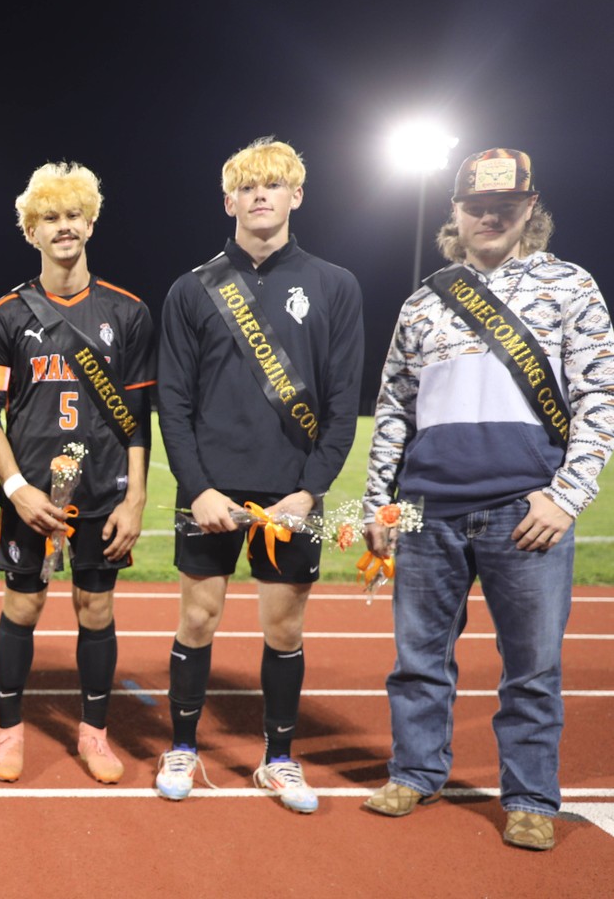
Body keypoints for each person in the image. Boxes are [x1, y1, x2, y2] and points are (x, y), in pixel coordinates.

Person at [361, 149, 614, 850]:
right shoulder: (423, 299)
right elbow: (393, 409)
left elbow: (599, 397)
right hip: (424, 509)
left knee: (530, 669)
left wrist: (565, 497)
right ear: (455, 210)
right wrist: (380, 503)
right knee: (417, 658)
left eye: (504, 204)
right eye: (475, 205)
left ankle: (530, 797)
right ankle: (414, 771)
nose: (489, 216)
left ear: (529, 207)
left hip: (524, 509)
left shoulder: (569, 286)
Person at [154, 138, 363, 812]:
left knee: (283, 631)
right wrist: (199, 490)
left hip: (291, 495)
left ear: (295, 196)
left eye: (273, 186)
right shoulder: (191, 289)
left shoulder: (335, 285)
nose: (260, 196)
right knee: (197, 619)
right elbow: (173, 403)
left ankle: (278, 760)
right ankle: (182, 746)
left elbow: (341, 406)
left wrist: (309, 492)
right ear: (229, 202)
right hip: (209, 489)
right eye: (247, 188)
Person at [0, 162, 154, 783]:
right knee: (22, 607)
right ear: (32, 232)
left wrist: (134, 500)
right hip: (31, 498)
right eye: (49, 218)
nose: (64, 227)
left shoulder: (127, 312)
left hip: (103, 492)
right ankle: (9, 733)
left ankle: (95, 734)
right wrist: (16, 488)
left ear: (91, 221)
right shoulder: (4, 315)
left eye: (73, 215)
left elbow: (137, 417)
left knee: (94, 608)